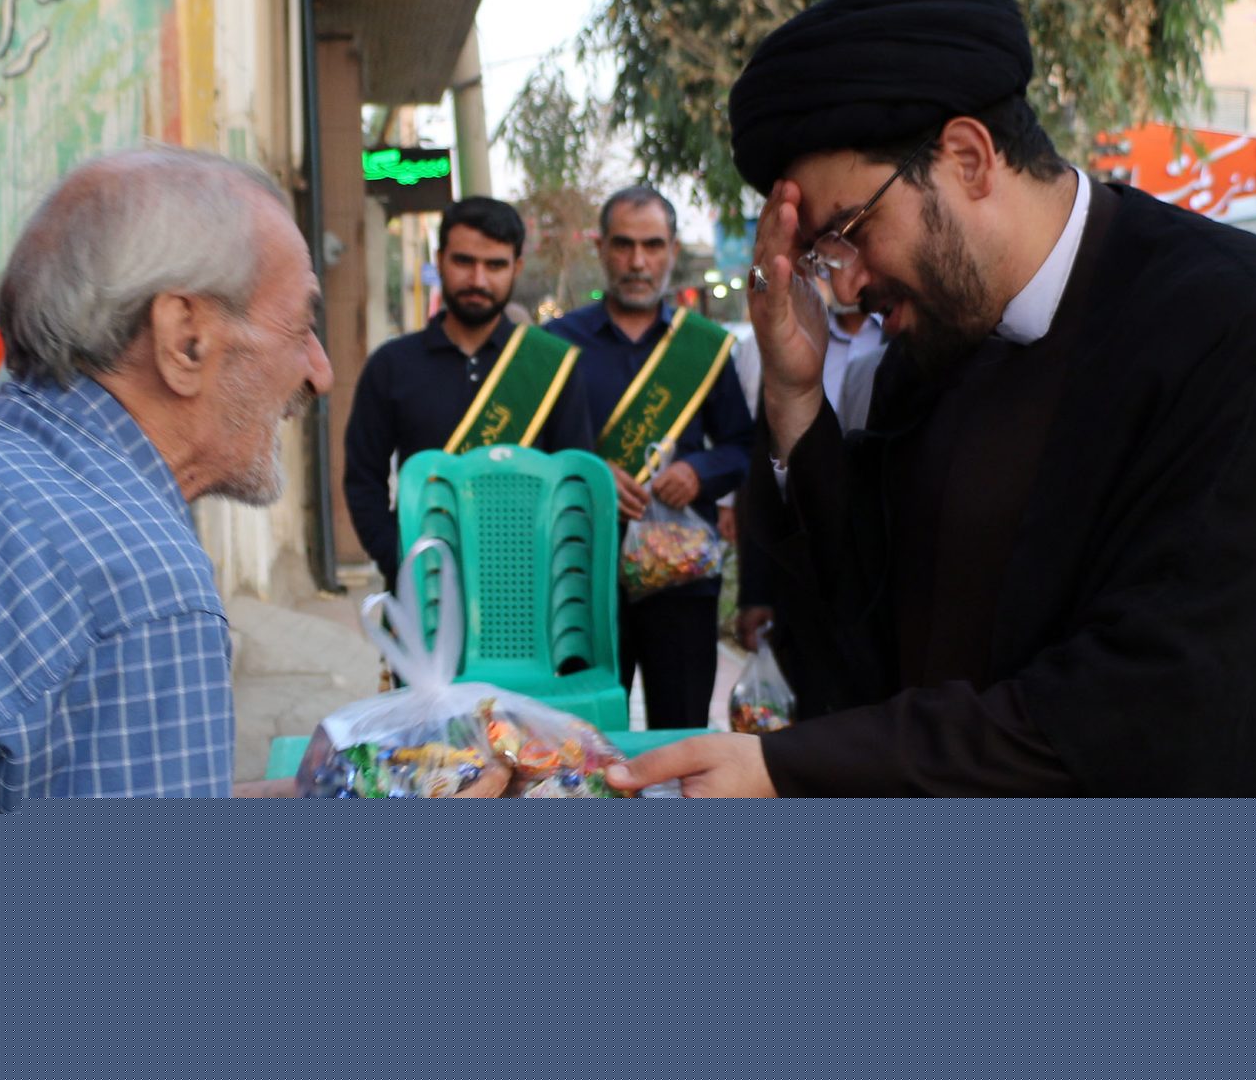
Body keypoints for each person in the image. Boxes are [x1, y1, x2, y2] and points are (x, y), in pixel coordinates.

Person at [608, 0, 1256, 796]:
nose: (843, 287)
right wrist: (796, 397)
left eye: (848, 233)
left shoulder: (1244, 328)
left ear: (969, 159)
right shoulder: (931, 354)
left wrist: (794, 772)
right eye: (818, 256)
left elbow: (1148, 703)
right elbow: (862, 642)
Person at [0, 148, 477, 811]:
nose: (319, 371)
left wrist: (314, 794)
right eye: (300, 324)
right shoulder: (141, 585)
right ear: (185, 340)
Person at [547, 186, 756, 729]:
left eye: (652, 245)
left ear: (673, 250)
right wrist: (590, 475)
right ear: (600, 248)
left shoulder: (705, 345)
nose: (638, 262)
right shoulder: (555, 344)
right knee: (581, 737)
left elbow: (742, 446)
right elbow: (533, 455)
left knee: (681, 735)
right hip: (583, 574)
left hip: (679, 573)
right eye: (623, 245)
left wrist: (699, 471)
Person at [343, 196, 594, 590]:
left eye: (495, 265)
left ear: (517, 268)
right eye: (464, 261)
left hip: (526, 591)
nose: (478, 280)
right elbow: (363, 480)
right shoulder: (391, 366)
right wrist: (401, 559)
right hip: (423, 588)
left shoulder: (553, 365)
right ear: (440, 260)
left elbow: (573, 484)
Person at [733, 278, 886, 717]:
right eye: (826, 261)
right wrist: (755, 591)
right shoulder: (789, 339)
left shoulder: (903, 339)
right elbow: (764, 469)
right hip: (801, 583)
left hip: (879, 594)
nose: (844, 280)